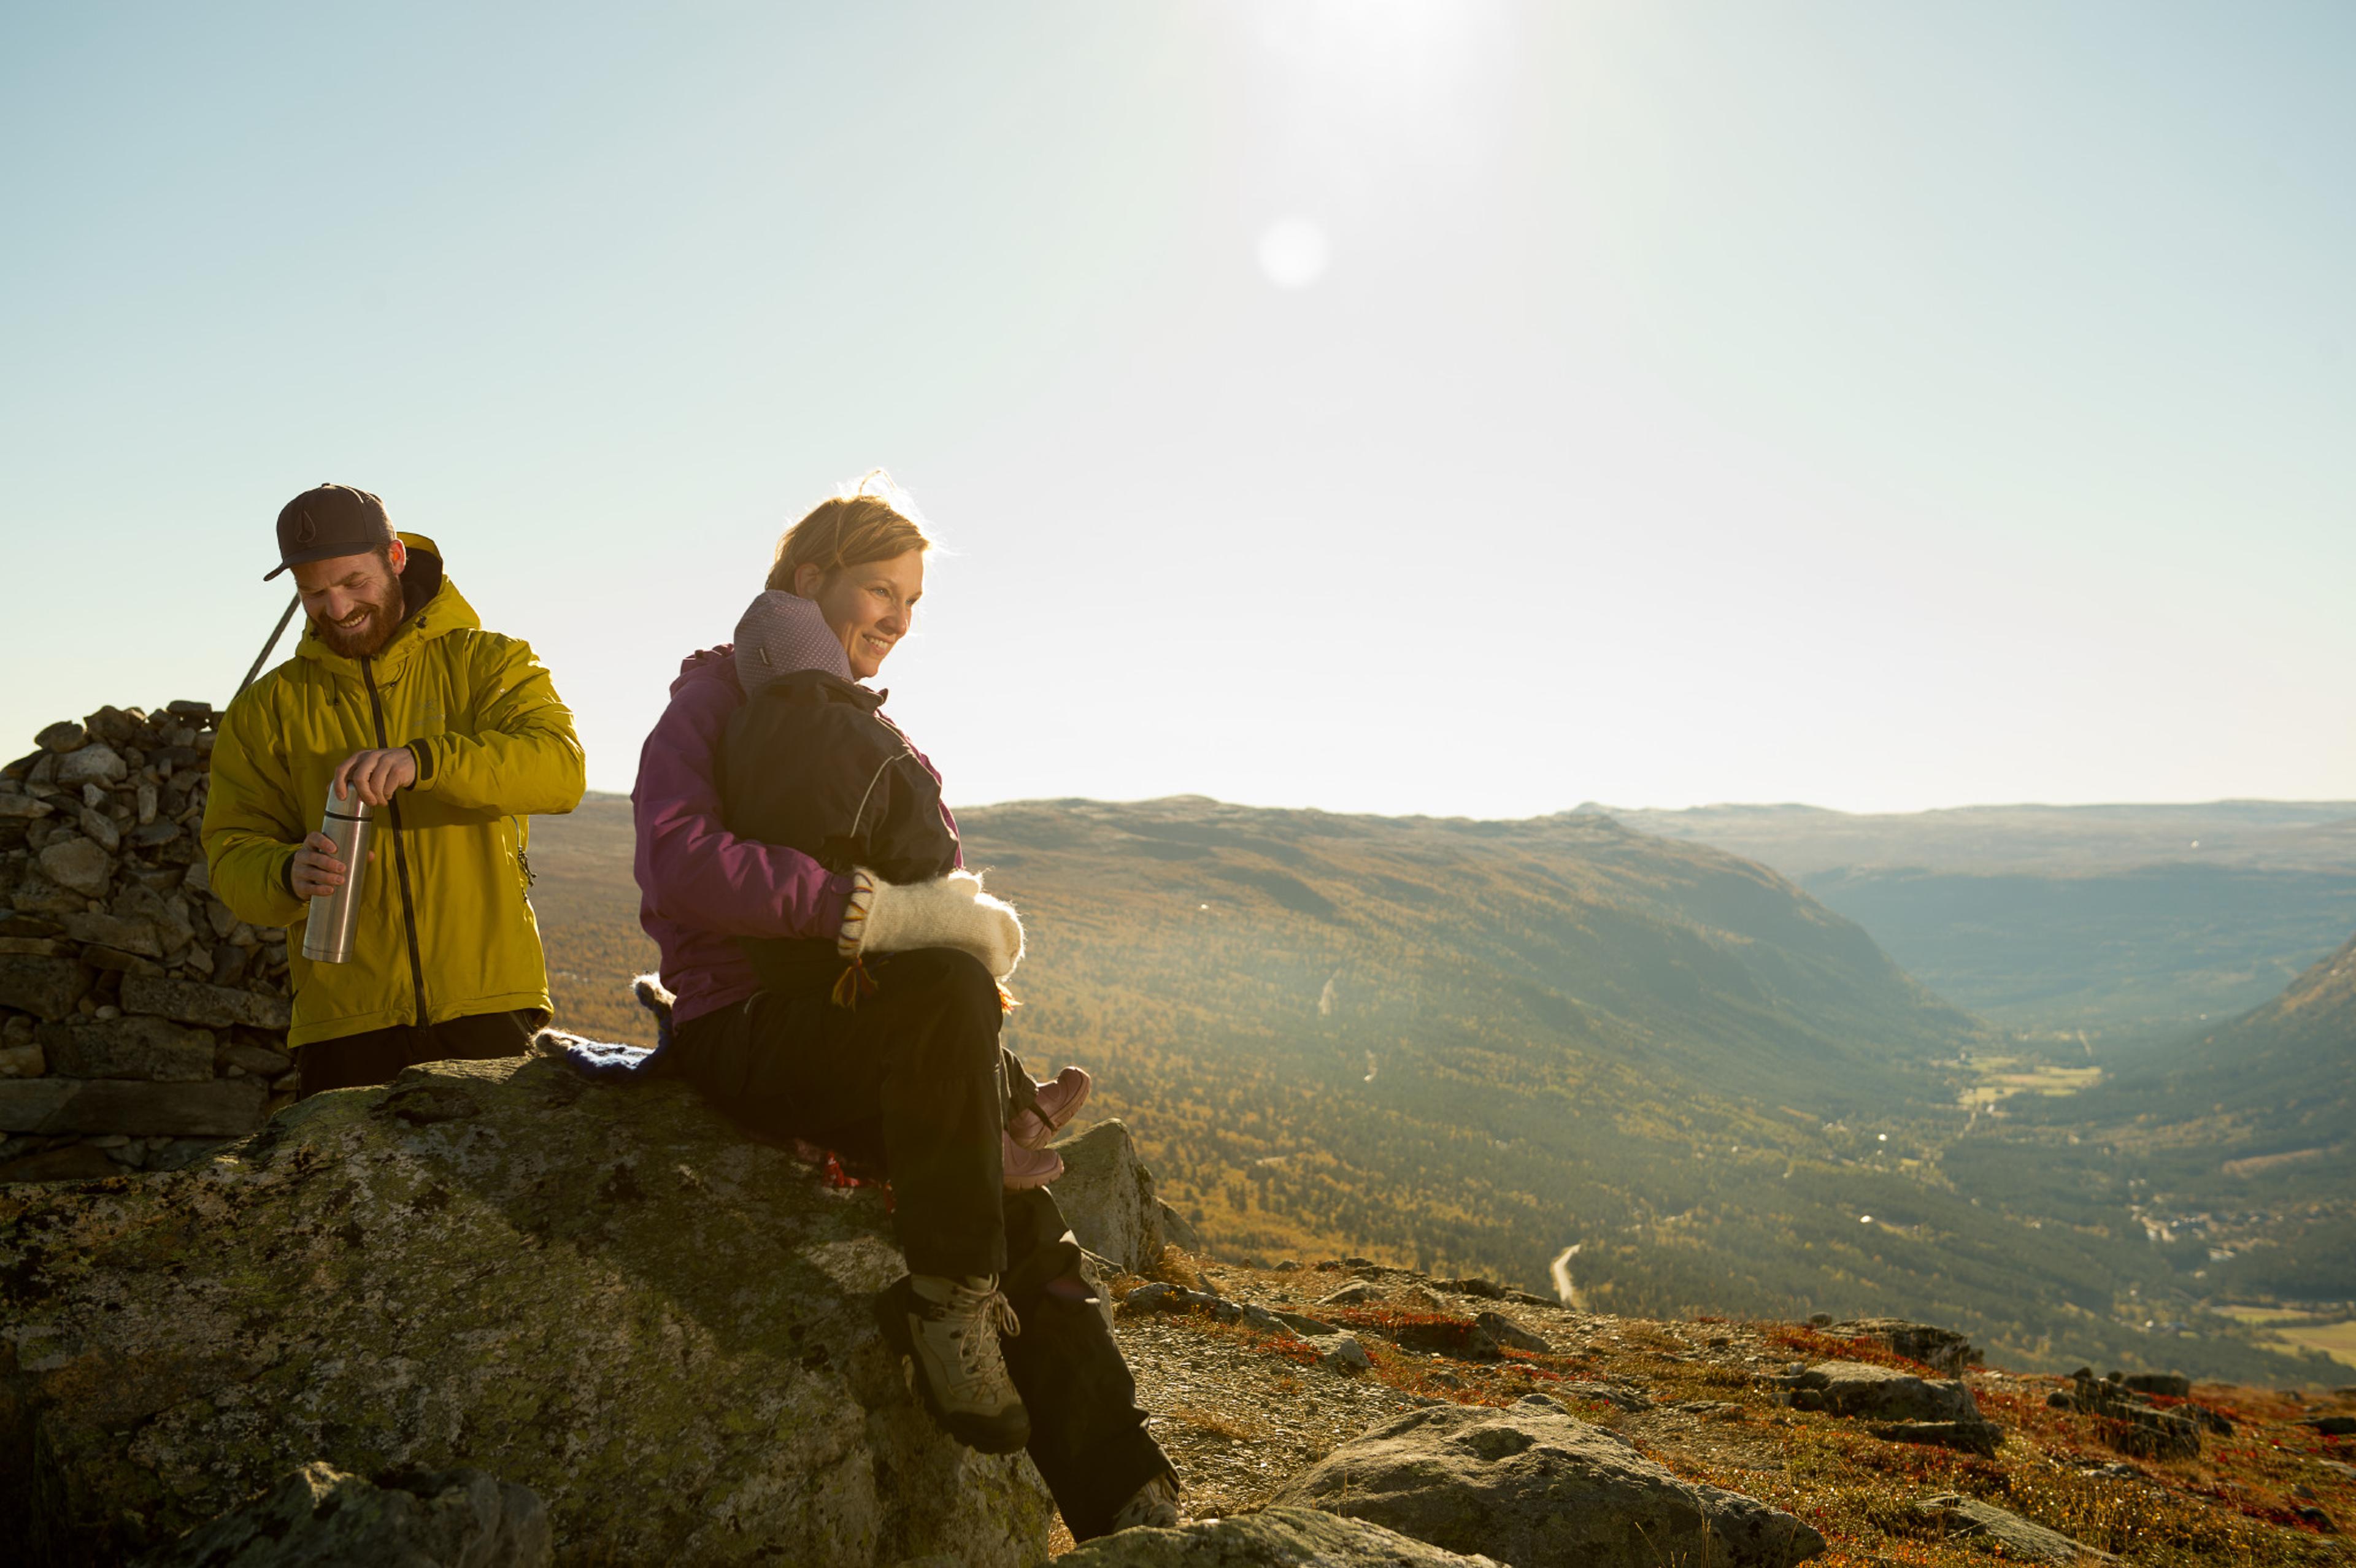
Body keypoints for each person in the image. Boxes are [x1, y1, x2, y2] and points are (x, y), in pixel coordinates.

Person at [631, 473, 1182, 1539]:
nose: (898, 619)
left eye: (913, 601)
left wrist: (994, 1089)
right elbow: (681, 865)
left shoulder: (852, 725)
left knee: (1020, 1214)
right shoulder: (713, 701)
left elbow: (934, 950)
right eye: (881, 590)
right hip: (739, 1025)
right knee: (955, 1062)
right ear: (808, 579)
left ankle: (1132, 1508)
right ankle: (949, 1306)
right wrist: (861, 913)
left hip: (857, 1032)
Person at [203, 483, 587, 1094]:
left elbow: (560, 770)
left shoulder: (490, 663)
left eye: (354, 583)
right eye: (314, 593)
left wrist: (427, 762)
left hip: (489, 1005)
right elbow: (229, 849)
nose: (337, 608)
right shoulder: (264, 710)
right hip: (344, 1024)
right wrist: (284, 874)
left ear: (397, 559)